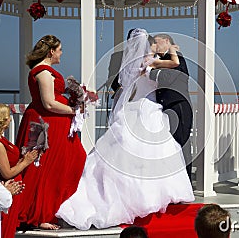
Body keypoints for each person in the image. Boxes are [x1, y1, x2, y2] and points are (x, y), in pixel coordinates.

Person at [56, 28, 194, 229]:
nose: (156, 44)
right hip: (148, 109)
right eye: (153, 42)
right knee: (155, 151)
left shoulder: (130, 64)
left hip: (132, 108)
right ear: (147, 45)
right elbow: (175, 63)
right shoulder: (149, 62)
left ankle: (129, 193)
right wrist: (173, 49)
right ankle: (149, 196)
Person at [15, 35, 87, 230]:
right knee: (45, 168)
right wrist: (74, 110)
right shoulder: (44, 72)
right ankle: (39, 214)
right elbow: (48, 103)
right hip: (47, 125)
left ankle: (55, 209)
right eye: (60, 49)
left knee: (72, 160)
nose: (62, 53)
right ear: (51, 52)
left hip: (55, 124)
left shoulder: (46, 71)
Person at [0, 103, 38, 238]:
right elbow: (6, 173)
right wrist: (26, 162)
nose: (10, 119)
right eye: (8, 117)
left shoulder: (1, 140)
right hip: (8, 189)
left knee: (10, 227)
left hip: (15, 190)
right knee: (5, 229)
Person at [145, 33, 193, 179]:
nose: (155, 45)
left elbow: (169, 78)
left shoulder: (176, 56)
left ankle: (186, 181)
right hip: (165, 107)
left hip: (178, 105)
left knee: (181, 142)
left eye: (157, 42)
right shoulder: (162, 59)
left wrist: (151, 70)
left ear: (167, 41)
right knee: (170, 144)